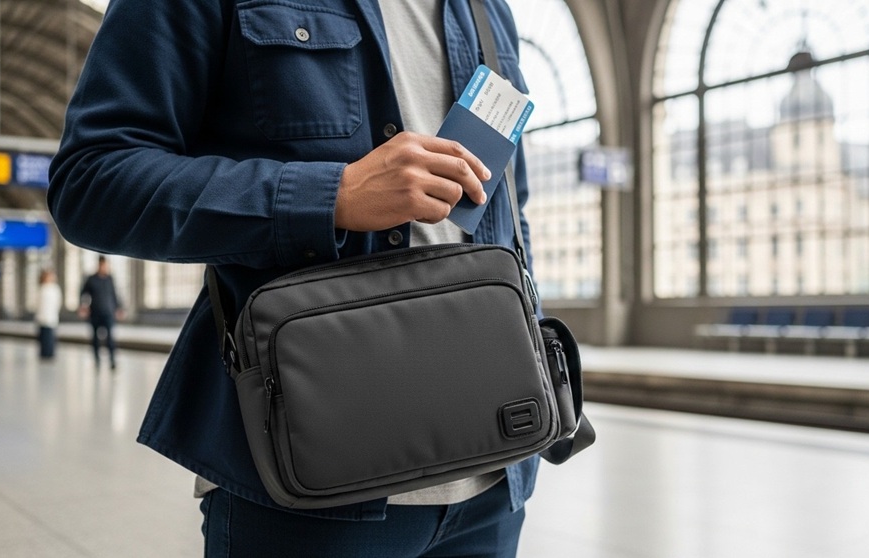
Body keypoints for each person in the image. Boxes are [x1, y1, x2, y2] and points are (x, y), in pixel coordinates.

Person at [49, 1, 536, 556]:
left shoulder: (489, 9)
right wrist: (332, 196)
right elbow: (91, 181)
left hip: (494, 484)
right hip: (307, 490)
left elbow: (510, 209)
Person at [78, 256, 123, 369]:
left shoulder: (110, 279)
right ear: (99, 265)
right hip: (95, 312)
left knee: (110, 337)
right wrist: (83, 306)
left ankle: (112, 360)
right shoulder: (91, 279)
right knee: (95, 338)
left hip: (108, 312)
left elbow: (114, 294)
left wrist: (119, 308)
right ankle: (97, 360)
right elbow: (83, 293)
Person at [35, 269, 62, 360]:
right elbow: (37, 303)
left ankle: (50, 353)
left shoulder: (55, 289)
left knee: (50, 336)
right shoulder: (41, 288)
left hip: (51, 316)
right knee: (43, 336)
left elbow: (58, 302)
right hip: (42, 316)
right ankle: (43, 353)